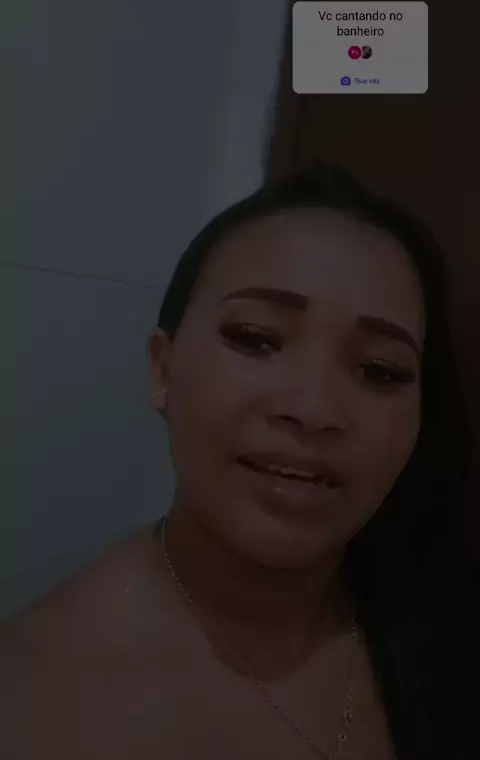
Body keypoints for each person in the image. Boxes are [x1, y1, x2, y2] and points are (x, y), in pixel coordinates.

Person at [0, 162, 478, 760]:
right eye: (256, 338)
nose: (313, 409)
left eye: (380, 371)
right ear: (162, 369)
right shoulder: (28, 701)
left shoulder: (444, 628)